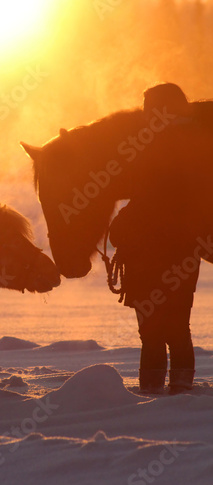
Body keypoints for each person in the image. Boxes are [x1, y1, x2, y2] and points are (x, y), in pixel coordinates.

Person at [109, 83, 204, 394]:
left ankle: (155, 392)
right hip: (174, 255)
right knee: (175, 329)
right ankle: (177, 391)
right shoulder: (189, 144)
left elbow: (148, 200)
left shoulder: (156, 146)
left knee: (154, 330)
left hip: (157, 255)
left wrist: (123, 227)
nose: (145, 112)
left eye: (150, 106)